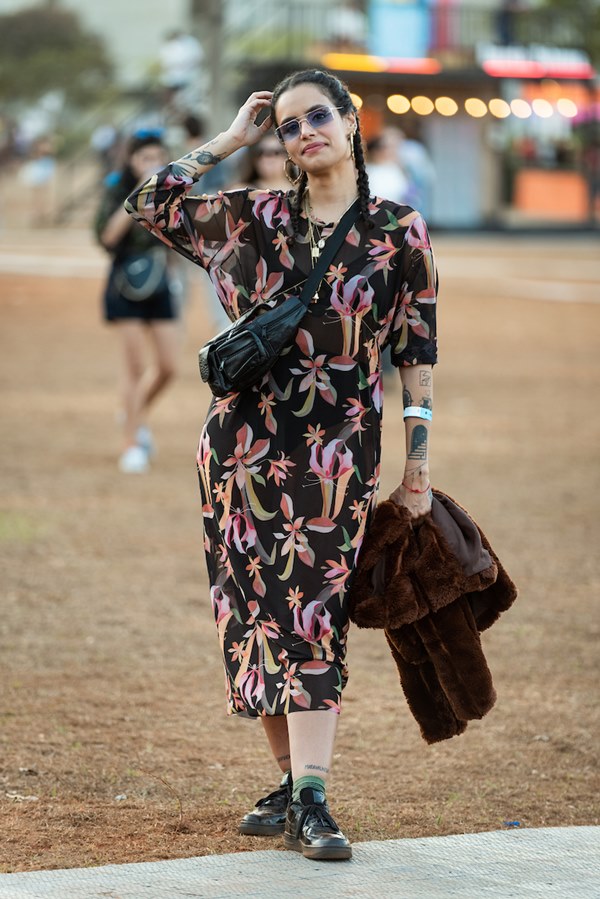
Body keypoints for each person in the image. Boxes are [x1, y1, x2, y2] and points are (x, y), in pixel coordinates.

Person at [125, 69, 437, 860]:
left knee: (312, 616)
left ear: (351, 121)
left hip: (337, 458)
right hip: (241, 453)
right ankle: (291, 781)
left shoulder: (400, 231)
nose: (304, 133)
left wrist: (418, 464)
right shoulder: (249, 219)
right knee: (255, 618)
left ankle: (311, 794)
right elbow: (150, 201)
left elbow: (418, 355)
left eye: (317, 116)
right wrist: (231, 139)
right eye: (288, 126)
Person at [95, 132, 181, 474]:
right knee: (133, 368)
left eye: (158, 157)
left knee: (169, 366)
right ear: (132, 160)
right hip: (124, 283)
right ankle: (131, 444)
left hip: (160, 282)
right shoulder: (118, 188)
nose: (152, 163)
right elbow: (107, 237)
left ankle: (133, 412)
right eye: (146, 157)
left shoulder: (170, 193)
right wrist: (138, 195)